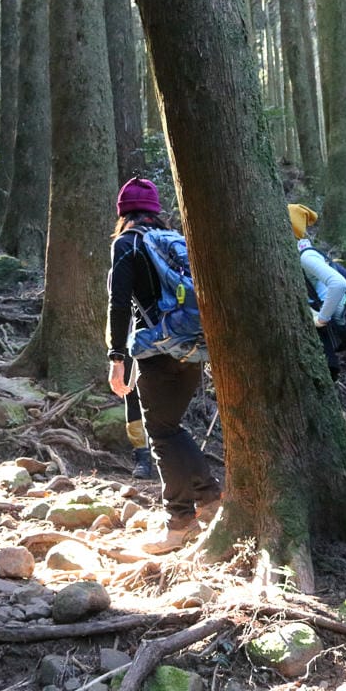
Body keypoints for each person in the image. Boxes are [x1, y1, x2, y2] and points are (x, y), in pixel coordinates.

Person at [106, 178, 222, 555]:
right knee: (170, 429)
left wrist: (117, 358)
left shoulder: (127, 244)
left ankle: (181, 520)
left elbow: (119, 304)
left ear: (123, 213)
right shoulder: (176, 242)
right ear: (156, 210)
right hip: (192, 348)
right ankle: (207, 500)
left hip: (156, 350)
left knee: (160, 432)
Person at [289, 203, 346, 380]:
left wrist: (321, 319)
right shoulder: (301, 254)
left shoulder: (305, 256)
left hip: (325, 332)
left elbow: (338, 284)